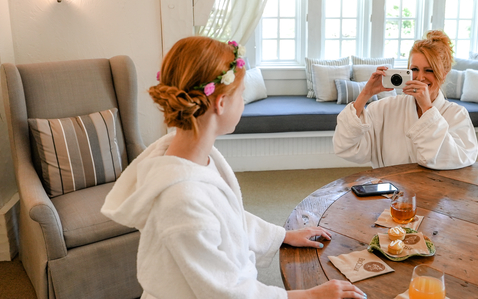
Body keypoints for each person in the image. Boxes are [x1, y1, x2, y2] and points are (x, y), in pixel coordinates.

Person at [101, 36, 366, 299]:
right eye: (241, 94)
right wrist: (310, 296)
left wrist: (282, 235)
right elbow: (227, 293)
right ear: (221, 102)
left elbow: (227, 218)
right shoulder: (181, 200)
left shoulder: (196, 156)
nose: (243, 102)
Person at [333, 30, 478, 170]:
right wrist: (365, 93)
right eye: (414, 69)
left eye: (429, 70)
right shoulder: (384, 108)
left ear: (444, 74)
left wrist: (427, 108)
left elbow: (460, 159)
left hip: (436, 192)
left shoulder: (457, 114)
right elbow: (346, 147)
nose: (420, 77)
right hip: (390, 191)